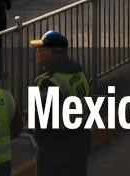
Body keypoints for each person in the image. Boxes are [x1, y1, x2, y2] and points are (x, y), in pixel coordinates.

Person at [31, 30, 91, 176]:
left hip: (56, 146)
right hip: (81, 138)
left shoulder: (49, 80)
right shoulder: (77, 69)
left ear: (53, 52)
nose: (37, 52)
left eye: (41, 49)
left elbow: (40, 118)